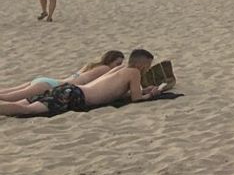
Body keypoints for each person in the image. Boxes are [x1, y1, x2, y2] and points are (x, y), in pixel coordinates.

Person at [0, 49, 164, 118]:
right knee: (27, 110)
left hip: (69, 89)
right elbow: (136, 98)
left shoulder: (119, 69)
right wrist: (151, 94)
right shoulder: (134, 72)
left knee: (23, 102)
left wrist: (143, 90)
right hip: (75, 95)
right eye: (147, 66)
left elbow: (115, 91)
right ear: (142, 65)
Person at [0, 51, 125, 102]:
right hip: (52, 85)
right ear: (110, 61)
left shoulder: (91, 66)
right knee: (9, 98)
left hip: (49, 81)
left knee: (7, 92)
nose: (117, 67)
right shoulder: (105, 69)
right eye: (117, 63)